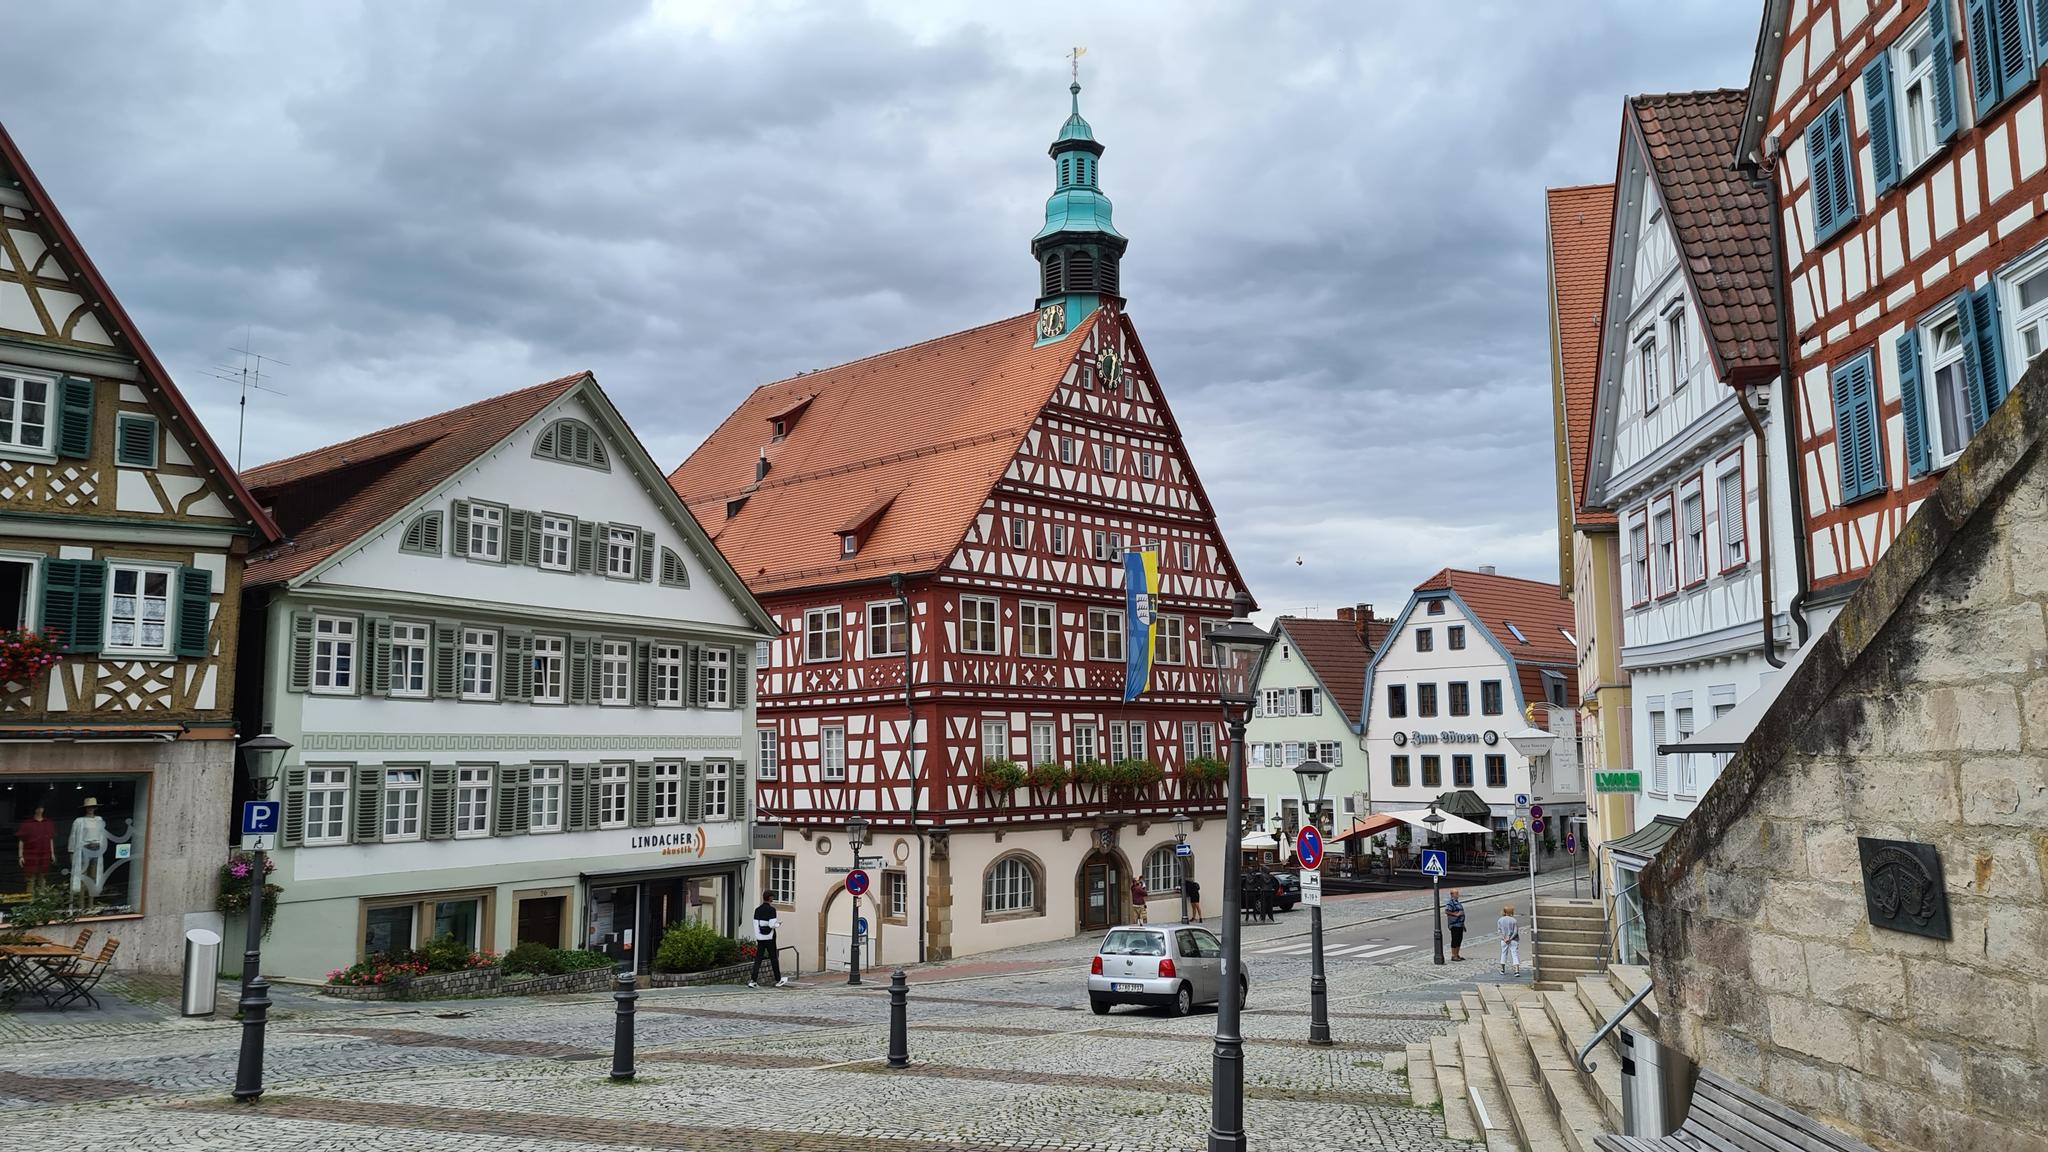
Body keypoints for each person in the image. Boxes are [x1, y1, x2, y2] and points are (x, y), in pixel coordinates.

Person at [748, 892, 788, 988]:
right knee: (773, 958)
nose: (772, 898)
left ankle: (753, 980)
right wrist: (778, 924)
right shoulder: (772, 910)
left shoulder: (757, 910)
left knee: (758, 958)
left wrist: (759, 936)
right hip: (770, 938)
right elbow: (771, 924)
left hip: (760, 938)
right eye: (772, 897)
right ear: (770, 898)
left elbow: (755, 924)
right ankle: (778, 980)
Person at [15, 803, 54, 882]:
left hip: (45, 855)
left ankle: (42, 894)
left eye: (41, 808)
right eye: (38, 808)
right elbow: (21, 840)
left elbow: (50, 839)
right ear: (34, 810)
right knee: (30, 878)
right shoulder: (27, 823)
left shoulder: (48, 822)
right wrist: (20, 856)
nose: (40, 810)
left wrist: (52, 853)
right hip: (30, 855)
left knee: (43, 878)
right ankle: (30, 894)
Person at [1498, 903, 1520, 977]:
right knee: (1514, 954)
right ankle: (1516, 970)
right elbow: (1515, 931)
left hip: (1503, 940)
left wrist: (1504, 938)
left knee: (1503, 953)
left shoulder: (1500, 920)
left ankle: (1502, 969)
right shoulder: (1514, 920)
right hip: (1513, 940)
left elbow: (1499, 931)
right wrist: (1510, 938)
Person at [1444, 888, 1466, 961]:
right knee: (1455, 940)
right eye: (1456, 893)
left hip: (1460, 924)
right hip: (1454, 924)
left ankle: (1457, 954)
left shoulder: (1457, 902)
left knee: (1459, 939)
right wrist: (1455, 914)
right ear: (1452, 894)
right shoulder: (1450, 902)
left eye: (1457, 893)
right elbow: (1447, 911)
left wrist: (1463, 924)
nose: (1458, 895)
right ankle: (1453, 955)